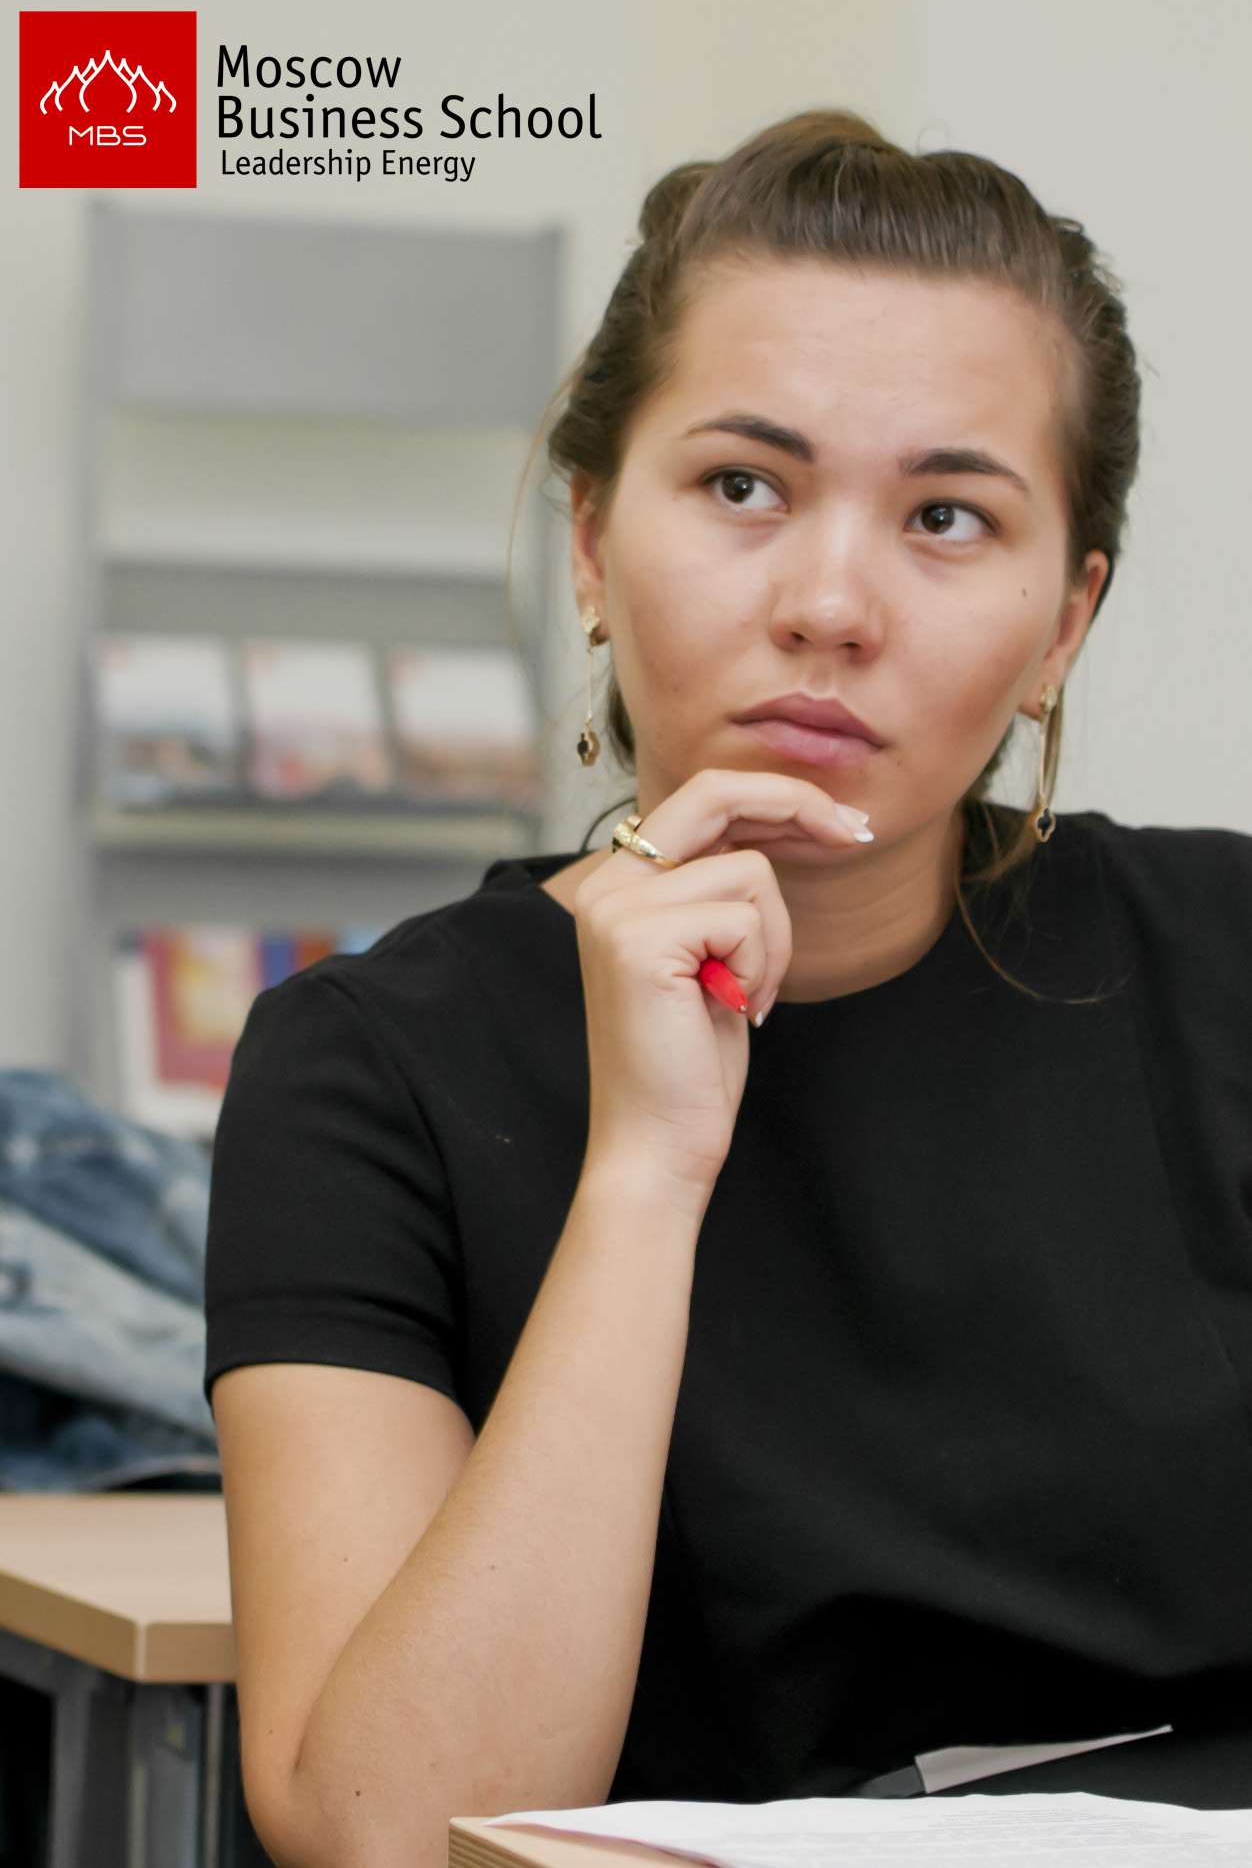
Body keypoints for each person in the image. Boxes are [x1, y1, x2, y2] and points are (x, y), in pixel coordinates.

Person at [204, 108, 1252, 1868]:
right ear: (593, 540)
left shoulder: (1222, 960)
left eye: (945, 515)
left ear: (1064, 622)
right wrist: (646, 1170)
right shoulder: (367, 1069)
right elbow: (386, 1829)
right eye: (745, 487)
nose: (830, 605)